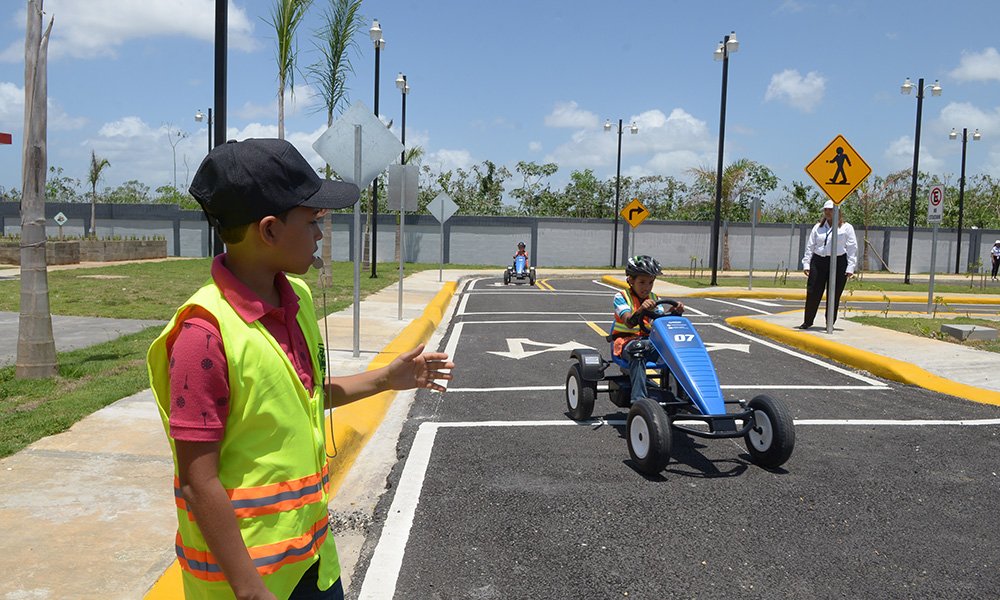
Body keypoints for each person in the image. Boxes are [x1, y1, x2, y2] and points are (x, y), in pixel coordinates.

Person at [147, 138, 454, 600]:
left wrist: (387, 379)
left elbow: (302, 398)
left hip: (313, 564)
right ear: (269, 230)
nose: (320, 235)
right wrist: (252, 591)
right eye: (312, 222)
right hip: (245, 586)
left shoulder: (298, 300)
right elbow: (198, 481)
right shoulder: (203, 335)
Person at [611, 255, 684, 403]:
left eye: (651, 282)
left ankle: (683, 397)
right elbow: (629, 322)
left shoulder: (654, 297)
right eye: (642, 282)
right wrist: (640, 310)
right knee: (637, 349)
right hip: (625, 343)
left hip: (648, 342)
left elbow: (660, 321)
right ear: (631, 281)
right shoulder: (621, 297)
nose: (647, 287)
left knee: (677, 349)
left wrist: (675, 312)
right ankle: (639, 401)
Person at [798, 199, 858, 329]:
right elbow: (810, 246)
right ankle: (808, 321)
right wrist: (806, 264)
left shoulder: (846, 228)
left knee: (834, 294)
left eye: (831, 210)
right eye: (826, 210)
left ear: (838, 212)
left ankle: (829, 322)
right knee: (813, 291)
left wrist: (850, 267)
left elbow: (852, 248)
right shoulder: (818, 227)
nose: (828, 212)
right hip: (819, 261)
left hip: (838, 262)